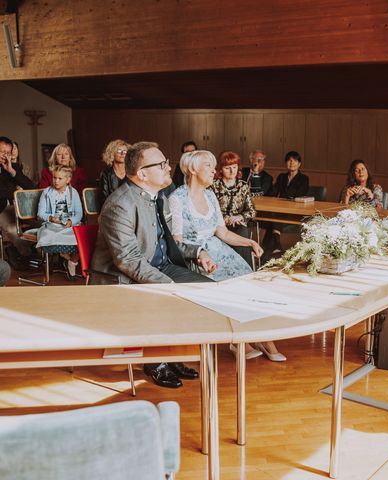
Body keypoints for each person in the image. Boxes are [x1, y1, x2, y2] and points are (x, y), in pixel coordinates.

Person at [91, 141, 217, 389]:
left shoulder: (157, 196)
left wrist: (197, 251)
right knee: (171, 297)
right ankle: (156, 361)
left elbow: (167, 242)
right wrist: (167, 285)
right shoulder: (120, 204)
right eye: (161, 164)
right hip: (122, 277)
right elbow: (128, 260)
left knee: (209, 290)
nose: (168, 168)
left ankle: (171, 354)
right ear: (142, 173)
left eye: (167, 162)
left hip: (159, 266)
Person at [168, 150, 262, 282]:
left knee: (245, 278)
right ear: (192, 169)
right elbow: (177, 242)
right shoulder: (177, 198)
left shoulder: (210, 195)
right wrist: (199, 254)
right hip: (196, 257)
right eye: (208, 166)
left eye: (214, 167)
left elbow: (223, 233)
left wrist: (250, 242)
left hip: (219, 251)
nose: (213, 171)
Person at [210, 151, 257, 267]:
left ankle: (245, 269)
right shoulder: (213, 185)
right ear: (221, 169)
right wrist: (226, 219)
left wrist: (240, 216)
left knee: (242, 231)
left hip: (239, 223)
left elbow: (252, 211)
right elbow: (210, 210)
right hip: (219, 225)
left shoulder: (243, 186)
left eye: (234, 167)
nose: (232, 171)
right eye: (227, 168)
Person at [35, 165, 83, 277]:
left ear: (68, 179)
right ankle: (63, 253)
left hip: (68, 225)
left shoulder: (73, 192)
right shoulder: (47, 193)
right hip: (52, 225)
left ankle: (72, 261)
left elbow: (79, 213)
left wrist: (71, 221)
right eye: (54, 177)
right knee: (49, 235)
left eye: (60, 178)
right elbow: (40, 213)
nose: (56, 181)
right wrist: (50, 218)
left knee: (80, 237)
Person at [262, 151, 309, 256]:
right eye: (289, 160)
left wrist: (284, 197)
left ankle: (267, 249)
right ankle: (274, 246)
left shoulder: (304, 179)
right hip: (281, 209)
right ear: (285, 163)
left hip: (295, 211)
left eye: (294, 161)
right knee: (272, 217)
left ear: (299, 164)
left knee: (272, 220)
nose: (291, 163)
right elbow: (274, 192)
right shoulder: (281, 177)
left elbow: (299, 194)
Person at [0, 136, 36, 268]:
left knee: (40, 221)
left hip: (15, 207)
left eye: (8, 153)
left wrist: (11, 171)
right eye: (2, 152)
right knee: (12, 229)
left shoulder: (11, 167)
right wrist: (16, 192)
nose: (5, 156)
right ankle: (27, 255)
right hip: (1, 208)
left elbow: (31, 187)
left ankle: (21, 252)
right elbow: (3, 192)